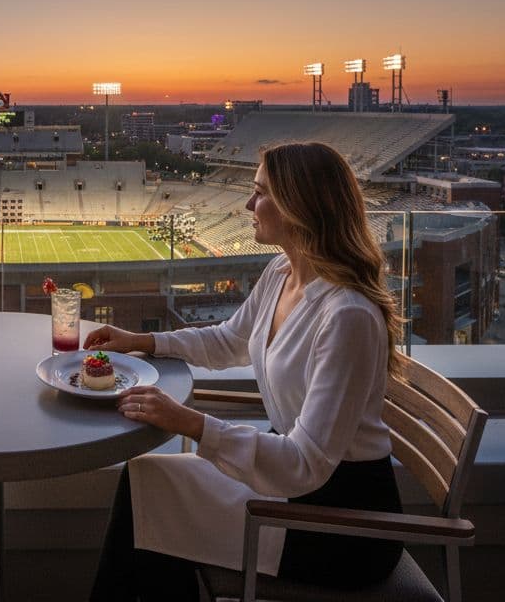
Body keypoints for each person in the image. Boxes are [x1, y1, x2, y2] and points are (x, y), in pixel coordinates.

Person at [87, 142, 405, 600]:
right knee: (145, 483)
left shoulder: (347, 316)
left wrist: (190, 423)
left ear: (299, 206)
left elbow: (305, 463)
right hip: (292, 490)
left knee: (152, 504)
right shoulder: (281, 273)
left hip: (340, 524)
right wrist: (144, 341)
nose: (248, 205)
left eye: (260, 193)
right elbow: (228, 341)